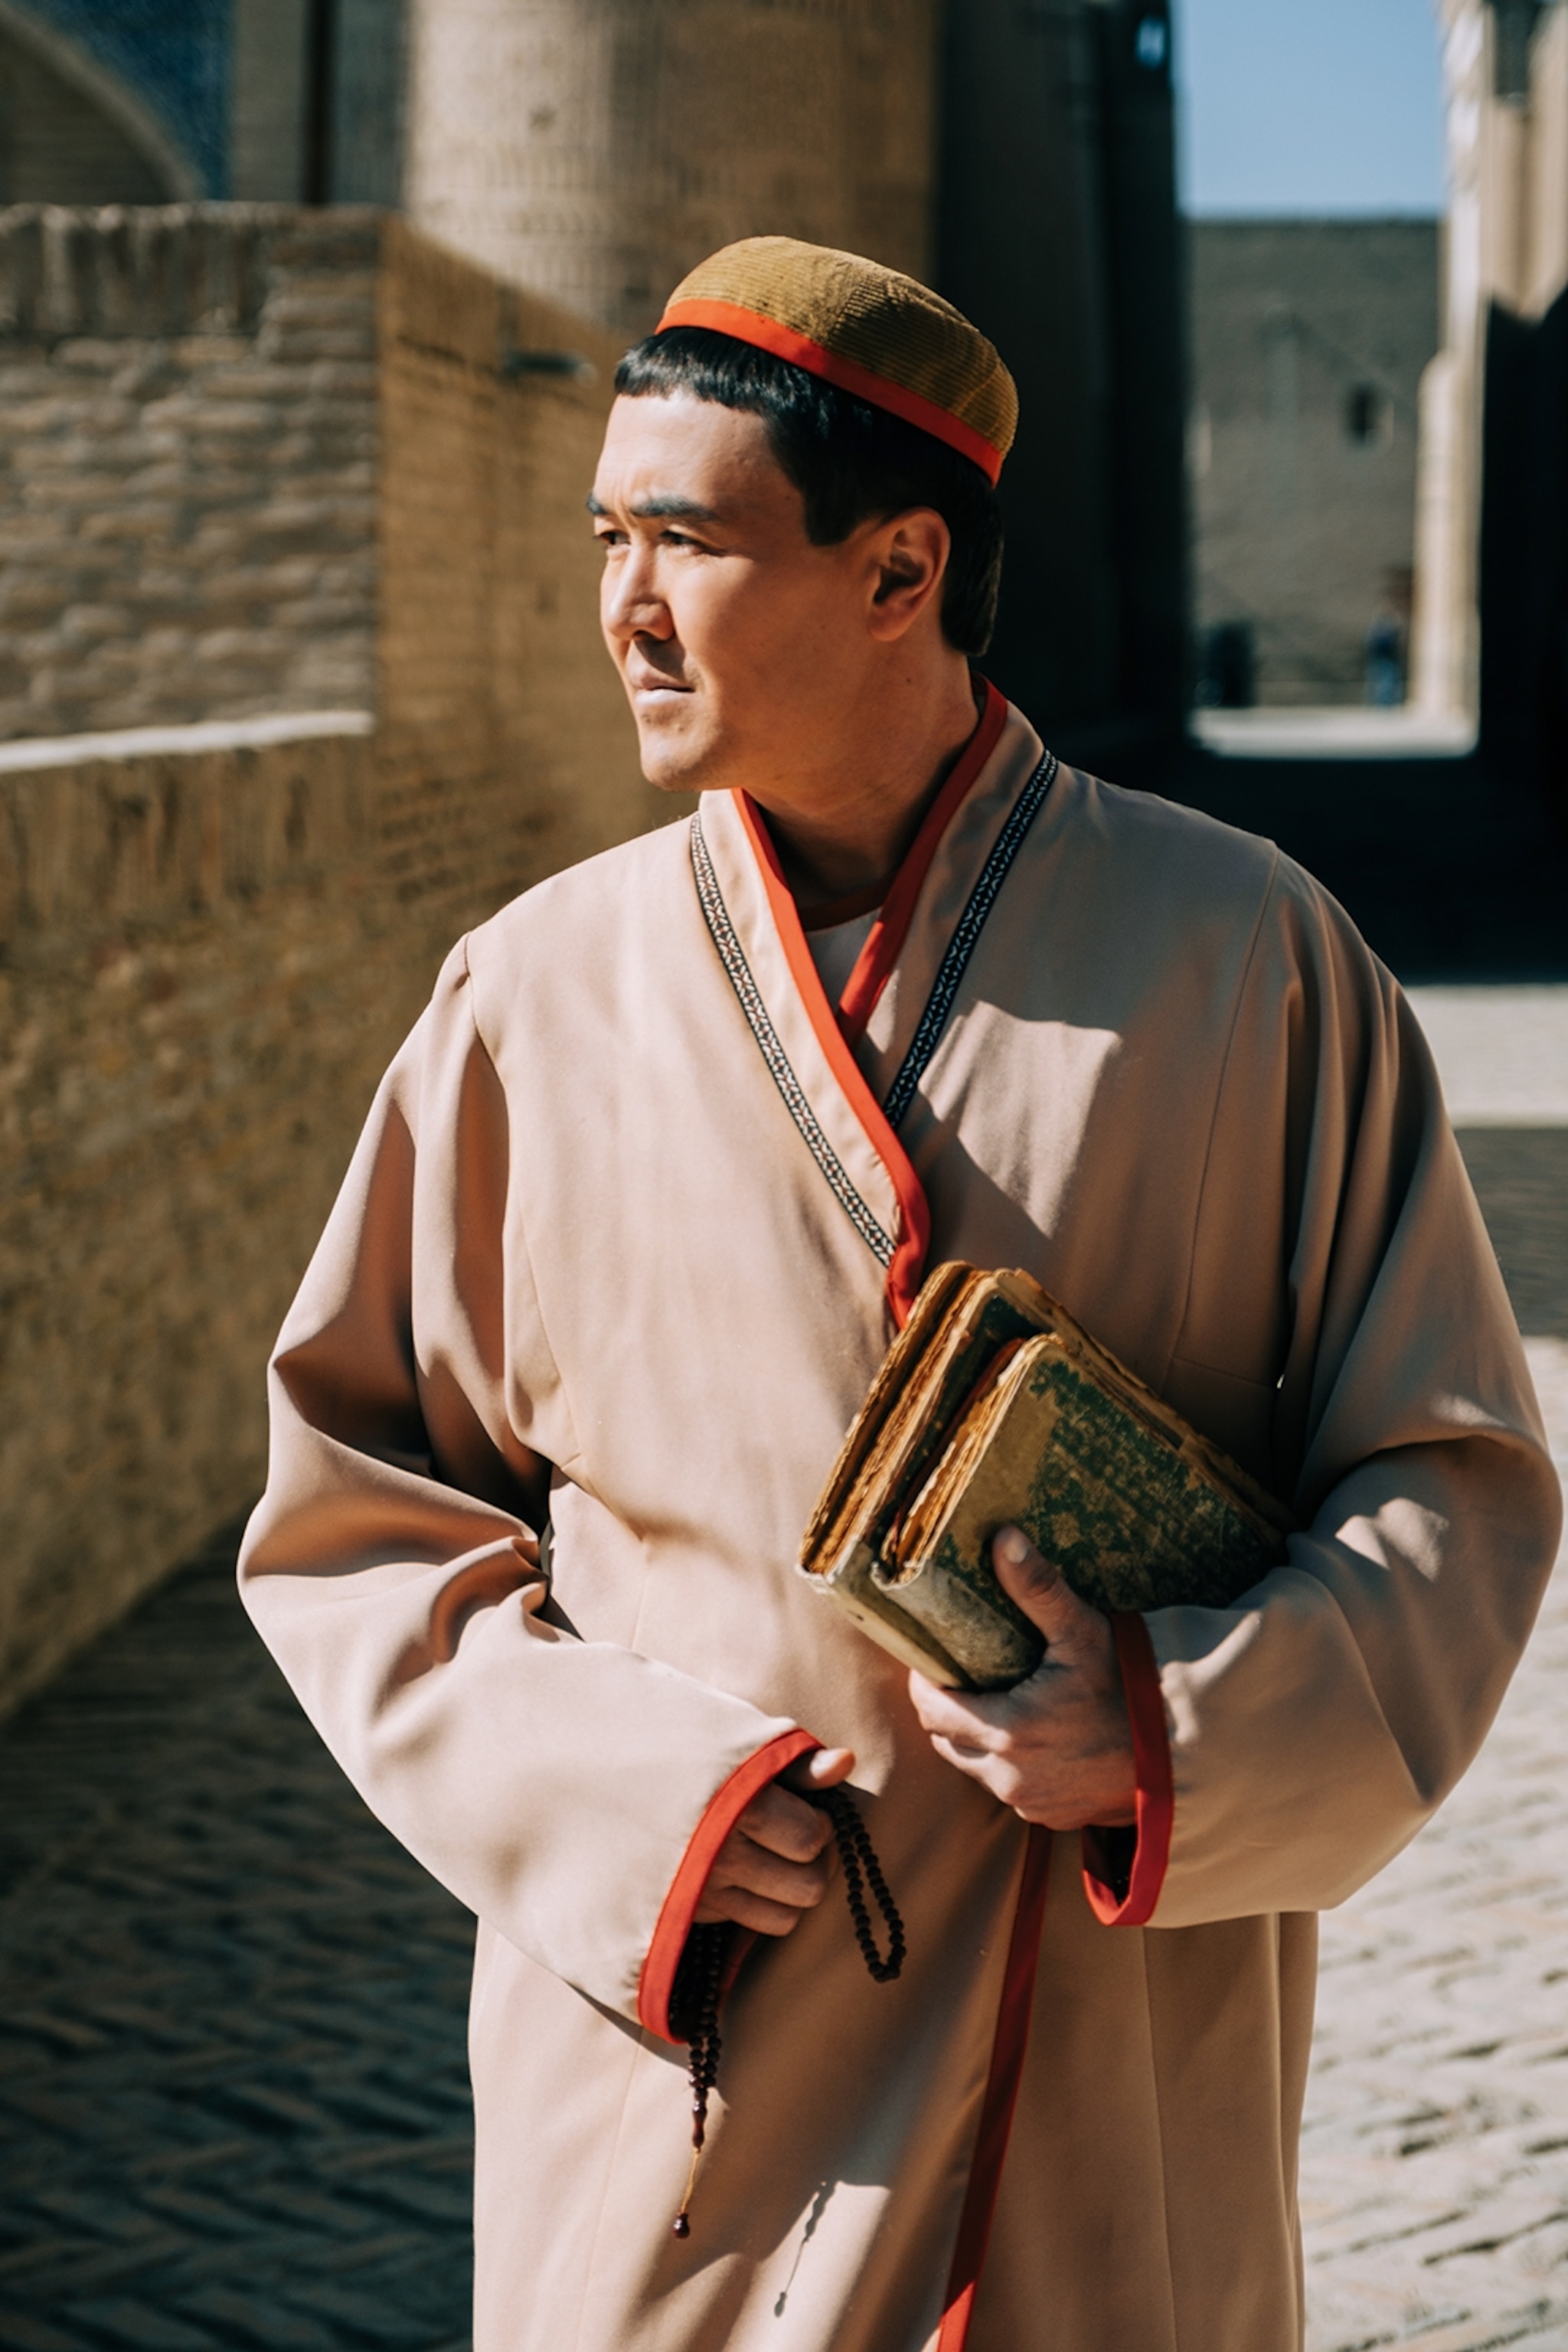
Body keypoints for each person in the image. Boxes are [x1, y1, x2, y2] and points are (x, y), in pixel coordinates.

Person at [237, 237, 1560, 2352]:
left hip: (1117, 2072)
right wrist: (627, 1802)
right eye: (607, 535)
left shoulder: (1257, 963)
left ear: (899, 567)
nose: (623, 606)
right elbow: (355, 1503)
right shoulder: (529, 997)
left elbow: (1452, 1480)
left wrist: (1164, 1724)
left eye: (686, 536)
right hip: (689, 2083)